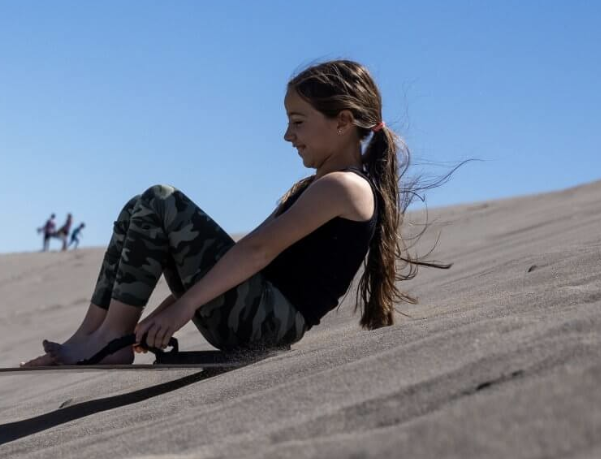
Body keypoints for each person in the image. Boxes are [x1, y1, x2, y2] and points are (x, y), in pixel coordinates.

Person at [27, 60, 421, 367]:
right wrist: (162, 315)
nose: (289, 136)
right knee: (139, 210)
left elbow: (257, 254)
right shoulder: (319, 186)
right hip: (259, 314)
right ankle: (92, 336)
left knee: (160, 201)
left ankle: (109, 337)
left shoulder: (345, 187)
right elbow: (244, 254)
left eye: (298, 123)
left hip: (269, 321)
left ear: (343, 122)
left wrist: (183, 307)